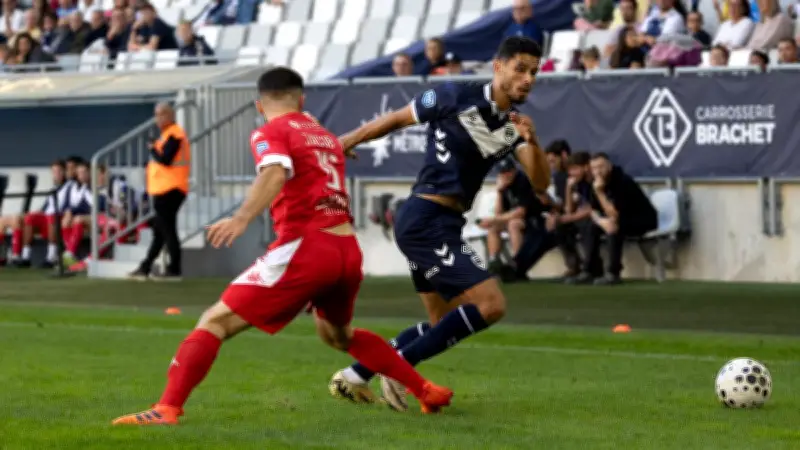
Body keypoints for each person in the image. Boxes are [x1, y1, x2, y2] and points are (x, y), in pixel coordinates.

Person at [111, 67, 453, 425]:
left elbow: (273, 172)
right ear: (301, 99)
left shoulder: (270, 131)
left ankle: (166, 408)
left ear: (260, 105)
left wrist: (241, 217)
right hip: (346, 250)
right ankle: (426, 390)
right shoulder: (322, 136)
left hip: (306, 246)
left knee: (215, 321)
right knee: (338, 336)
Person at [329, 36, 549, 411]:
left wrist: (534, 140)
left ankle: (353, 376)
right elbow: (397, 118)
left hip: (441, 224)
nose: (528, 78)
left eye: (534, 71)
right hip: (425, 220)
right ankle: (401, 373)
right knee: (491, 305)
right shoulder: (455, 95)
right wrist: (345, 140)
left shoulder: (512, 125)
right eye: (520, 69)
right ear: (499, 67)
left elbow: (541, 183)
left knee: (440, 322)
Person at [127, 102, 189, 281]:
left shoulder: (175, 133)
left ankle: (174, 269)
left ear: (171, 115)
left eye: (162, 114)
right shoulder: (166, 135)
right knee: (161, 231)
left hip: (171, 189)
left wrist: (152, 148)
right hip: (164, 189)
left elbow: (166, 159)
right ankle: (145, 267)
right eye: (156, 114)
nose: (158, 118)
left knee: (167, 230)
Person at [482, 158, 555, 283]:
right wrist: (499, 192)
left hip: (534, 219)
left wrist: (495, 219)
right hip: (516, 218)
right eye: (503, 172)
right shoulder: (504, 185)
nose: (506, 175)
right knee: (494, 227)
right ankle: (494, 262)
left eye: (508, 171)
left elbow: (521, 211)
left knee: (513, 224)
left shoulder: (522, 181)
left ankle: (518, 266)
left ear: (514, 170)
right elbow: (499, 213)